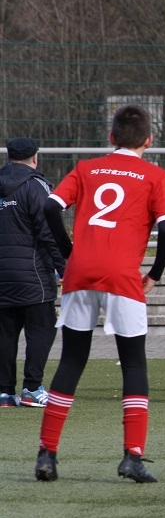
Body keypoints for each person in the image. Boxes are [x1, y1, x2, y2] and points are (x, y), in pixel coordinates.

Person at [35, 105, 165, 483]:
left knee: (71, 360)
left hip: (80, 272)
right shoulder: (156, 176)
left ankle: (46, 454)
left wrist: (69, 252)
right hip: (124, 276)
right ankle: (132, 457)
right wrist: (155, 274)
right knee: (133, 364)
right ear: (149, 140)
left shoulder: (86, 168)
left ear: (111, 137)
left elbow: (50, 206)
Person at [0, 137, 65, 408]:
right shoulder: (36, 186)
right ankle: (32, 388)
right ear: (35, 157)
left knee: (5, 332)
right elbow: (49, 231)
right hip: (33, 273)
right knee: (42, 329)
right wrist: (64, 267)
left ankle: (5, 393)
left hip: (3, 275)